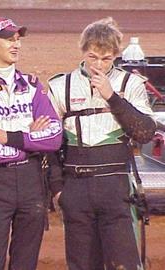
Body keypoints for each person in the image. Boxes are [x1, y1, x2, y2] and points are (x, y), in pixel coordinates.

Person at [48, 17, 156, 270]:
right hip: (75, 186)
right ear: (83, 51)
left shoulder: (130, 84)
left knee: (125, 264)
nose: (98, 64)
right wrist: (57, 189)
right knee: (81, 264)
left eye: (106, 59)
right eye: (93, 56)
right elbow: (49, 144)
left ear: (116, 56)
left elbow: (145, 133)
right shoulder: (60, 85)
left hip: (116, 186)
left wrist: (111, 96)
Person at [0, 17, 63, 270]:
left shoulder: (32, 85)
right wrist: (30, 143)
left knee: (26, 263)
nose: (16, 45)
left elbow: (54, 137)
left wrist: (12, 137)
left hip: (33, 183)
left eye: (17, 39)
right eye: (9, 39)